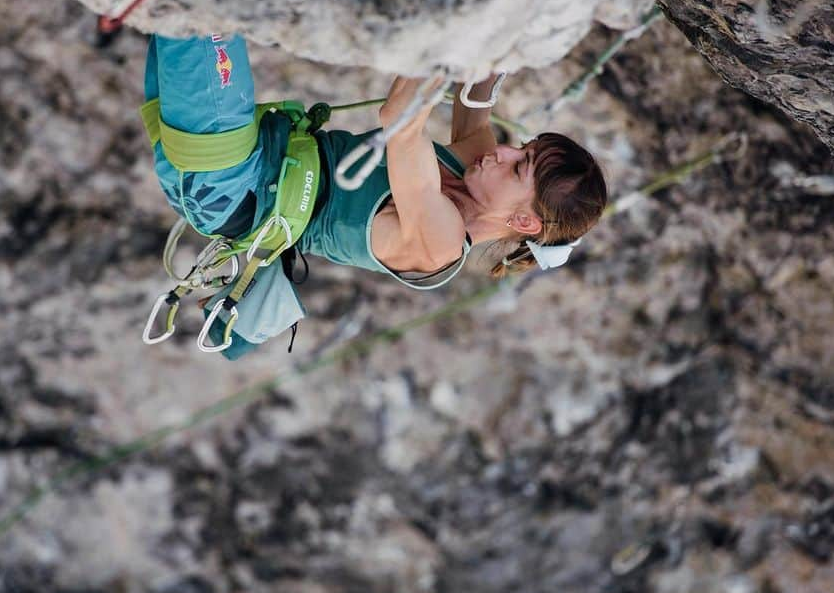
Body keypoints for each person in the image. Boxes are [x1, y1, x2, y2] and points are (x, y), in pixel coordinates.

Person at [142, 33, 607, 355]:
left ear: (525, 222)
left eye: (520, 166)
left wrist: (447, 35)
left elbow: (401, 122)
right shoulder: (480, 171)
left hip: (228, 181)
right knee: (173, 1)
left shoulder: (440, 244)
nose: (504, 151)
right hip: (238, 159)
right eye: (522, 148)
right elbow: (475, 107)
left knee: (200, 10)